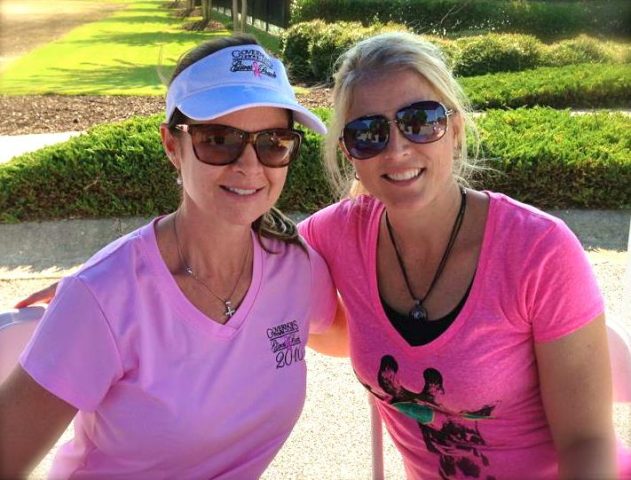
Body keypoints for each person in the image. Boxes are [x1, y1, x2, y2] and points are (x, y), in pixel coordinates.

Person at [0, 34, 340, 479]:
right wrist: (95, 294)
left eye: (274, 142)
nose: (250, 166)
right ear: (171, 145)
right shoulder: (102, 297)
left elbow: (357, 339)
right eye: (219, 140)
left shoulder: (296, 268)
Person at [298, 32, 629, 478]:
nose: (397, 149)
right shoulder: (337, 234)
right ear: (349, 152)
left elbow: (587, 443)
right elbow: (264, 278)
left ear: (454, 129)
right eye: (368, 133)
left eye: (420, 121)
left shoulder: (539, 250)